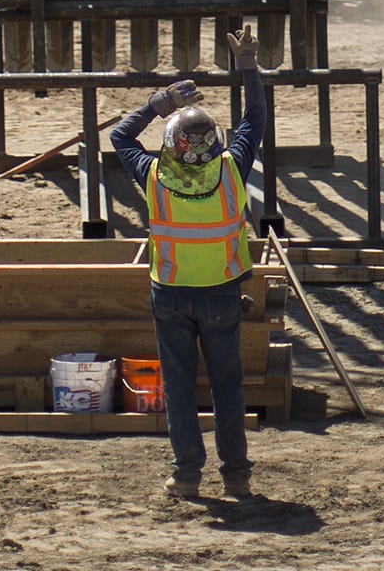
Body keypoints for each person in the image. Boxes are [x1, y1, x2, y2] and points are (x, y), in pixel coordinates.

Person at [108, 25, 263, 502]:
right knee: (228, 388)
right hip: (221, 293)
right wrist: (247, 66)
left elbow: (120, 135)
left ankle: (186, 476)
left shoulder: (153, 174)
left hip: (171, 295)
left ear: (172, 142)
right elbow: (255, 119)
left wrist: (160, 103)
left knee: (178, 388)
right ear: (214, 141)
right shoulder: (232, 169)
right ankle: (236, 477)